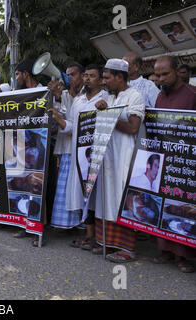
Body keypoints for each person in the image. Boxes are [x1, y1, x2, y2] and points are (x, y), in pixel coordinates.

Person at [49, 64, 108, 250]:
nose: (87, 79)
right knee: (83, 195)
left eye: (92, 76)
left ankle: (98, 237)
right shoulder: (79, 100)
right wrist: (58, 118)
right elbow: (71, 126)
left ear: (100, 79)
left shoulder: (106, 98)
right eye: (86, 76)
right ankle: (89, 235)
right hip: (79, 156)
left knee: (96, 196)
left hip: (98, 155)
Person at [93, 58, 145, 263]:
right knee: (106, 198)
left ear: (119, 77)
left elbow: (133, 128)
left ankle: (127, 249)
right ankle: (107, 242)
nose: (104, 82)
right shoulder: (110, 97)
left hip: (125, 156)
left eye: (107, 78)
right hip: (108, 156)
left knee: (122, 198)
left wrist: (109, 116)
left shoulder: (135, 96)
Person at [153, 55, 196, 273]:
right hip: (164, 159)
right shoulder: (160, 97)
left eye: (165, 74)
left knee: (184, 207)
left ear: (177, 71)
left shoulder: (192, 95)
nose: (160, 79)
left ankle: (184, 256)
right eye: (157, 75)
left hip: (186, 164)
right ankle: (166, 251)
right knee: (166, 204)